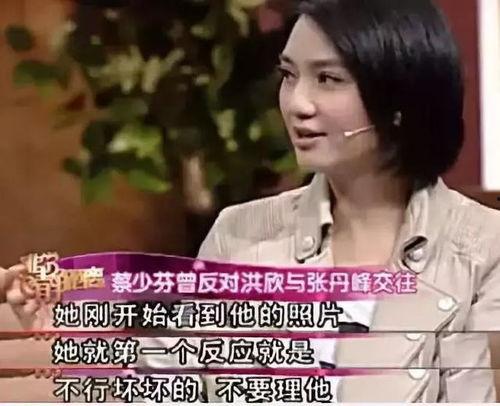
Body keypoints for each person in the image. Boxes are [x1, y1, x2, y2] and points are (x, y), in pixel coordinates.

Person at [1, 0, 500, 402]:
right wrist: (64, 335)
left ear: (400, 100)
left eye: (328, 79)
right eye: (289, 75)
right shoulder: (242, 233)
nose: (297, 104)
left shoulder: (483, 250)